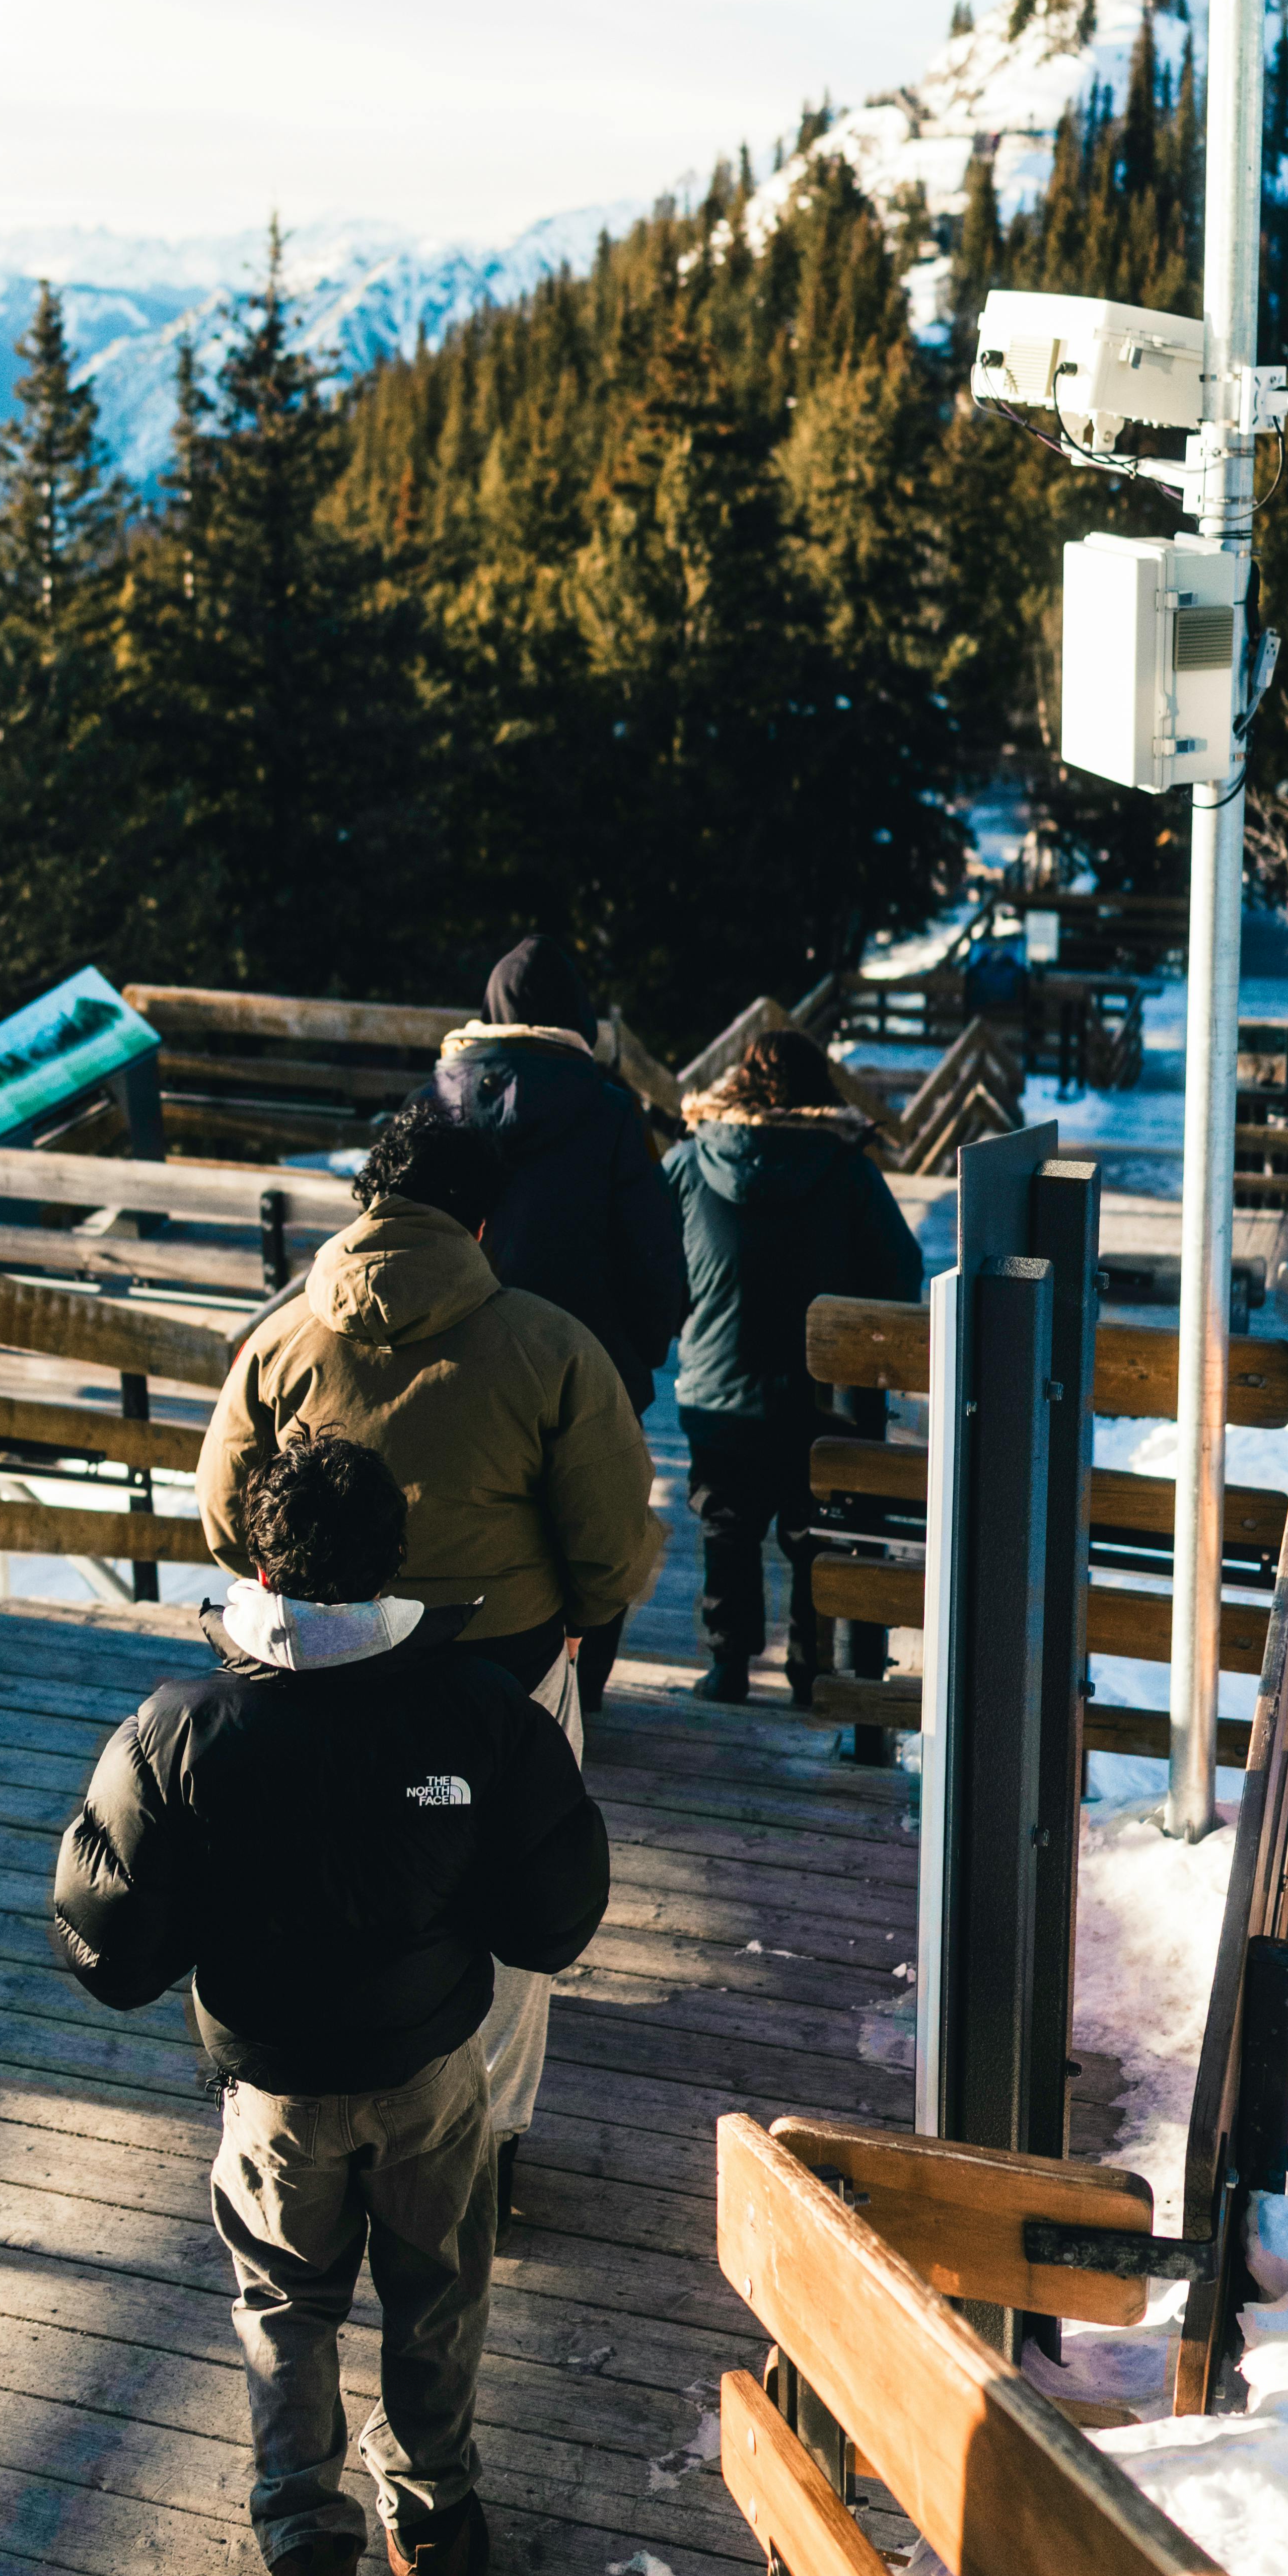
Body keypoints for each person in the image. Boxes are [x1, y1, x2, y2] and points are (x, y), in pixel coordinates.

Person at [51, 1429, 608, 2576]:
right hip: (429, 2073)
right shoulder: (480, 1711)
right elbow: (554, 1922)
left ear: (257, 1559)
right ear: (391, 1561)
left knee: (283, 2314)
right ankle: (430, 2543)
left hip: (272, 2098)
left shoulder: (176, 1729)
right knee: (436, 2301)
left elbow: (106, 1948)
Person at [196, 1100, 657, 2199]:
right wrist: (581, 1611)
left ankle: (320, 2122)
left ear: (364, 1203)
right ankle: (483, 2151)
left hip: (319, 1671)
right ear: (483, 1228)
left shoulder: (278, 1336)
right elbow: (607, 1553)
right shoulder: (550, 1346)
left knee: (330, 1889)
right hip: (499, 1668)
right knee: (509, 1897)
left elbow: (223, 1519)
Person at [430, 934, 686, 1712]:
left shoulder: (435, 1100)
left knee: (470, 1513)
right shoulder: (609, 1112)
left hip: (454, 1364)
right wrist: (640, 1351)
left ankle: (462, 1682)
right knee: (593, 1530)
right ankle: (577, 1694)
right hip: (589, 1366)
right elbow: (653, 1256)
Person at [667, 1023, 922, 1705]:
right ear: (820, 1091)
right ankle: (810, 1673)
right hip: (822, 1394)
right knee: (813, 1532)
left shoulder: (691, 1163)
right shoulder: (845, 1170)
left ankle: (726, 1668)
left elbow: (654, 1260)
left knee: (726, 1522)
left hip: (719, 1390)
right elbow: (901, 1272)